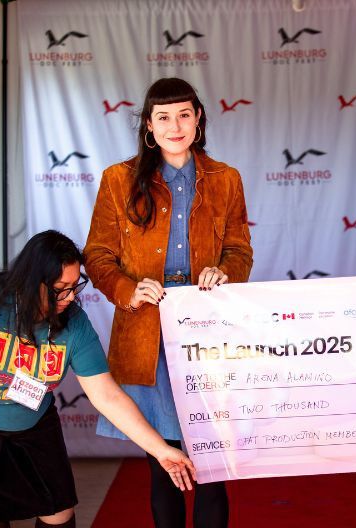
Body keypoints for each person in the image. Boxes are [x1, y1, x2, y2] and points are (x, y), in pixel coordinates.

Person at [84, 77, 253, 528]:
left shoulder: (226, 179)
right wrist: (127, 289)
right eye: (163, 117)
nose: (174, 125)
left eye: (183, 114)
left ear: (198, 119)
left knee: (214, 467)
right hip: (146, 333)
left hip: (208, 335)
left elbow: (239, 250)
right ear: (148, 126)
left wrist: (226, 272)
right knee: (165, 464)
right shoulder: (118, 180)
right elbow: (98, 255)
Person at [0, 230, 195, 528]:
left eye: (74, 287)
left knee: (60, 515)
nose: (69, 298)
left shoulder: (74, 323)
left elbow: (106, 395)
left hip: (34, 422)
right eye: (59, 289)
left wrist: (161, 450)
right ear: (32, 282)